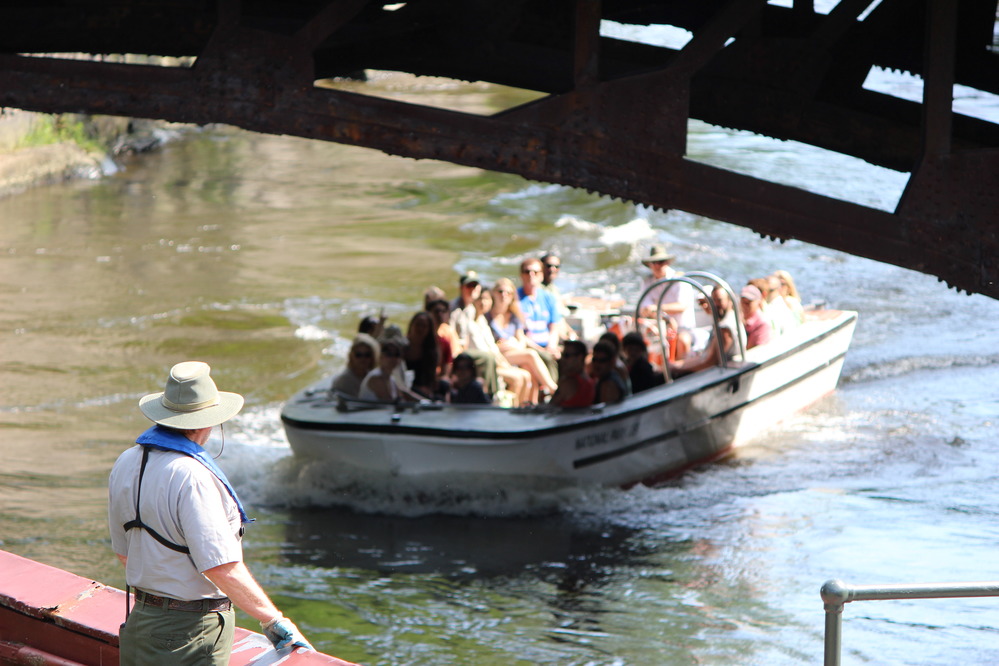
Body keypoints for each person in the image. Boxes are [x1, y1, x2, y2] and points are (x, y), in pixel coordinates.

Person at [108, 362, 312, 664]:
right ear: (205, 422)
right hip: (190, 635)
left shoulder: (126, 461)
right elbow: (220, 565)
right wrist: (272, 619)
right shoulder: (192, 476)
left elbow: (125, 554)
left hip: (141, 623)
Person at [488, 278, 559, 393]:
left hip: (513, 351)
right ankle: (552, 389)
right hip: (498, 355)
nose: (504, 295)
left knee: (528, 368)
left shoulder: (514, 316)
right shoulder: (488, 317)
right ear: (494, 293)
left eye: (508, 293)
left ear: (512, 296)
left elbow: (521, 341)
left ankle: (531, 403)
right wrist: (499, 345)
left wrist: (513, 344)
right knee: (530, 355)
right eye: (500, 291)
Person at [467, 288, 533, 406]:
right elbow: (485, 351)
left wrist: (506, 365)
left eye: (486, 299)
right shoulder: (471, 323)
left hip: (496, 362)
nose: (483, 303)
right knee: (517, 378)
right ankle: (509, 412)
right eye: (480, 299)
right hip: (484, 367)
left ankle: (520, 409)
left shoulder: (482, 321)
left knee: (526, 375)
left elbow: (494, 349)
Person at [637, 245, 697, 359]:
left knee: (682, 341)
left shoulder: (680, 280)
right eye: (653, 262)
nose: (657, 265)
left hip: (682, 328)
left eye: (660, 262)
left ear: (667, 263)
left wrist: (657, 308)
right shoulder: (647, 282)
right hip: (658, 328)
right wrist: (664, 318)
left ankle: (680, 371)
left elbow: (682, 305)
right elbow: (644, 309)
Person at [668, 285, 742, 377]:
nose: (715, 304)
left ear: (729, 301)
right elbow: (705, 357)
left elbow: (711, 362)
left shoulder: (725, 328)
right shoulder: (726, 321)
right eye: (713, 300)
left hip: (716, 375)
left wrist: (677, 368)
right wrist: (676, 364)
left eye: (719, 300)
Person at [449, 271, 498, 397]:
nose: (472, 289)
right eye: (468, 286)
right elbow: (450, 335)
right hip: (458, 351)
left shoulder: (471, 308)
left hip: (466, 349)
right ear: (461, 288)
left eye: (475, 286)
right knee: (487, 358)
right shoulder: (454, 309)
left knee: (490, 356)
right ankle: (490, 394)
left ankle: (492, 393)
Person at [517, 257, 563, 359]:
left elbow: (554, 327)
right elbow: (517, 333)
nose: (531, 275)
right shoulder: (515, 299)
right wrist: (541, 351)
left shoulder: (549, 298)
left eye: (535, 272)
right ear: (521, 275)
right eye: (527, 271)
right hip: (528, 347)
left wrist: (551, 347)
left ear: (542, 275)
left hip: (547, 345)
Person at [360, 334, 417, 402]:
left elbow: (404, 394)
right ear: (381, 357)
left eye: (397, 354)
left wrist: (425, 402)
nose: (393, 358)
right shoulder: (375, 378)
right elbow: (390, 403)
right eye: (389, 354)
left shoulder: (391, 379)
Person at [404, 310, 446, 399]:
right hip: (404, 388)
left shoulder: (432, 351)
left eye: (424, 326)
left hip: (423, 390)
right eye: (418, 324)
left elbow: (431, 377)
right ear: (412, 326)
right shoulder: (401, 346)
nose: (420, 328)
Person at [330, 333, 379, 397]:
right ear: (351, 356)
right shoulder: (343, 380)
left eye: (367, 355)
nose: (363, 359)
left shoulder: (374, 377)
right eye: (358, 355)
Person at [549, 339, 595, 408]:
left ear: (579, 357)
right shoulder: (589, 380)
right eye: (562, 355)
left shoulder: (569, 382)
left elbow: (549, 407)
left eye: (566, 355)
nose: (562, 359)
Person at [590, 340, 631, 405]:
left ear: (611, 362)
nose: (597, 364)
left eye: (602, 361)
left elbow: (607, 413)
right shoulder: (607, 378)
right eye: (594, 360)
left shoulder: (609, 385)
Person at [739, 284, 773, 349]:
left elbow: (757, 350)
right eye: (743, 301)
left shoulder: (763, 324)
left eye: (748, 302)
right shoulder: (738, 317)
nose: (745, 305)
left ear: (758, 302)